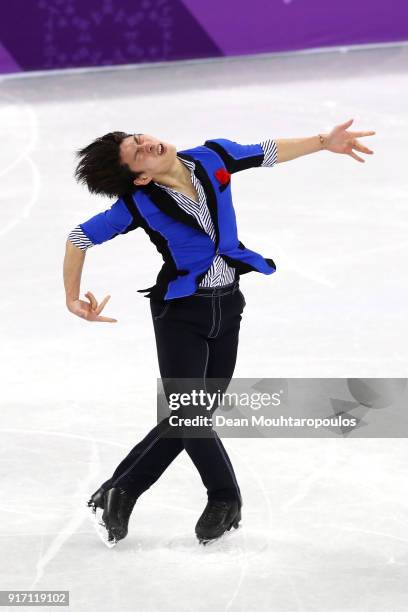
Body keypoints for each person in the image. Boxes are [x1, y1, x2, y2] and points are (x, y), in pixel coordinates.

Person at [63, 120, 375, 546]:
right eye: (140, 153)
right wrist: (72, 297)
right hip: (180, 314)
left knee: (192, 415)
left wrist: (323, 142)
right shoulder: (137, 204)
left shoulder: (211, 158)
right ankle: (223, 497)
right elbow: (80, 236)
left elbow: (266, 150)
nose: (150, 143)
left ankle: (117, 490)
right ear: (140, 176)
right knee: (192, 412)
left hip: (229, 304)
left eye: (141, 137)